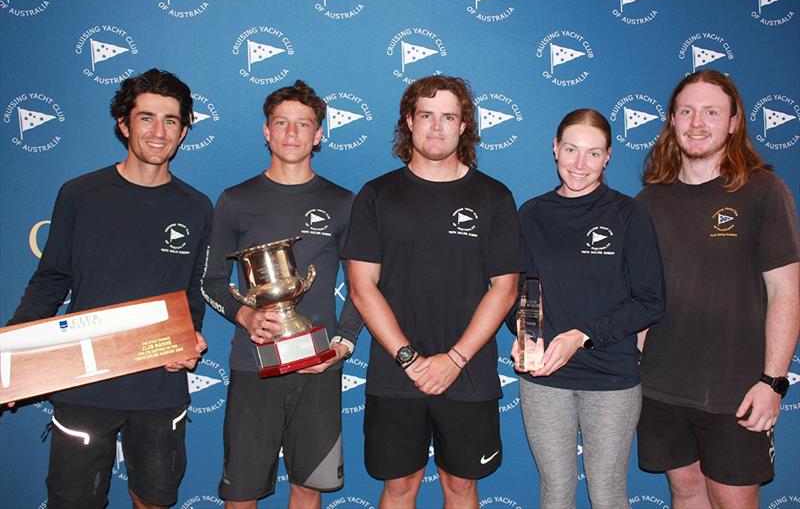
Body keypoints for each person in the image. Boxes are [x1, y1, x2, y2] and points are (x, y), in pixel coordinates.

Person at [3, 68, 212, 509]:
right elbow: (51, 279)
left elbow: (192, 290)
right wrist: (12, 360)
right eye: (146, 118)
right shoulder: (80, 195)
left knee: (154, 499)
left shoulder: (196, 207)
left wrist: (189, 333)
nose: (159, 132)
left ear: (185, 129)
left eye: (171, 120)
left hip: (159, 384)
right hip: (84, 385)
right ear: (124, 124)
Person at [343, 75, 524, 509]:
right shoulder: (376, 195)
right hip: (395, 374)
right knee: (399, 486)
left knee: (460, 487)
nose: (437, 127)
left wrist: (454, 360)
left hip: (469, 374)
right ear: (409, 121)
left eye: (449, 117)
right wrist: (410, 360)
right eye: (427, 115)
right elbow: (361, 287)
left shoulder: (494, 197)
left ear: (465, 126)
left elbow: (505, 289)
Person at [636, 70, 800, 509]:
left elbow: (786, 291)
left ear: (733, 123)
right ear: (672, 119)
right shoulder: (649, 202)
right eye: (687, 111)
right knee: (685, 492)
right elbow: (640, 298)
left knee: (733, 501)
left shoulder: (764, 190)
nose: (697, 123)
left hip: (737, 390)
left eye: (711, 112)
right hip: (661, 386)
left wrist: (772, 382)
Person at [200, 80, 362, 509]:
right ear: (266, 131)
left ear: (319, 134)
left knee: (308, 489)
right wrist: (245, 316)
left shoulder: (343, 202)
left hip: (317, 367)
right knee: (242, 491)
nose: (292, 134)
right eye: (282, 123)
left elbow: (364, 287)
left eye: (303, 124)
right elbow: (211, 281)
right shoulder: (235, 201)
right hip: (253, 365)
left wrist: (341, 344)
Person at [510, 109, 665, 509]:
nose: (580, 164)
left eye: (593, 153)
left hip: (612, 378)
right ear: (555, 149)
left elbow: (651, 301)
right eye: (572, 150)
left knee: (608, 492)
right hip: (545, 377)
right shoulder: (532, 213)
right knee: (556, 491)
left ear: (609, 156)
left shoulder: (629, 214)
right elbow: (522, 292)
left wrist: (580, 336)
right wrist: (524, 337)